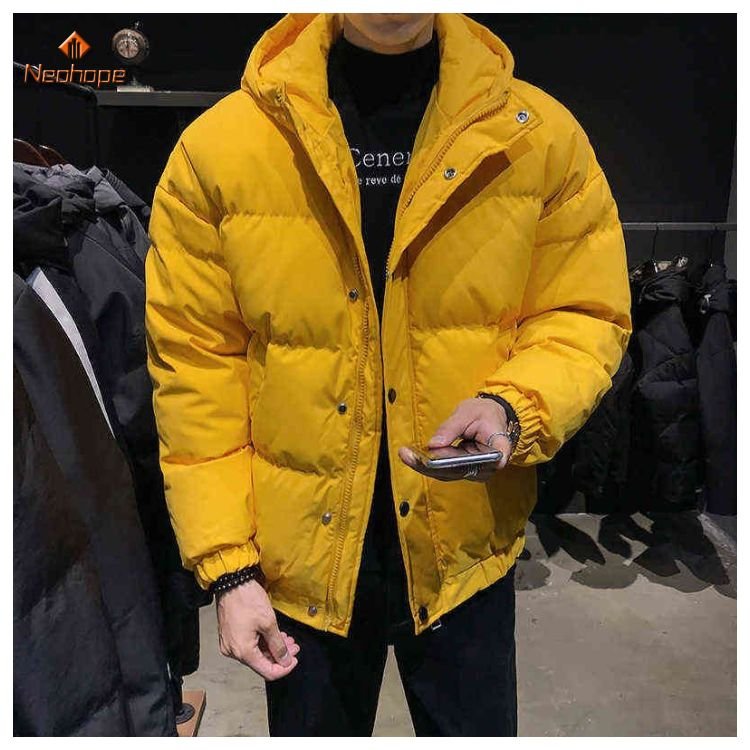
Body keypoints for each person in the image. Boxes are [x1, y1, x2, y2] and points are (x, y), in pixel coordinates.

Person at [145, 12, 631, 736]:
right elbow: (196, 367)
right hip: (300, 573)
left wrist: (512, 406)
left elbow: (584, 312)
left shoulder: (538, 136)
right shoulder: (221, 148)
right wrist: (230, 568)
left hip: (463, 553)